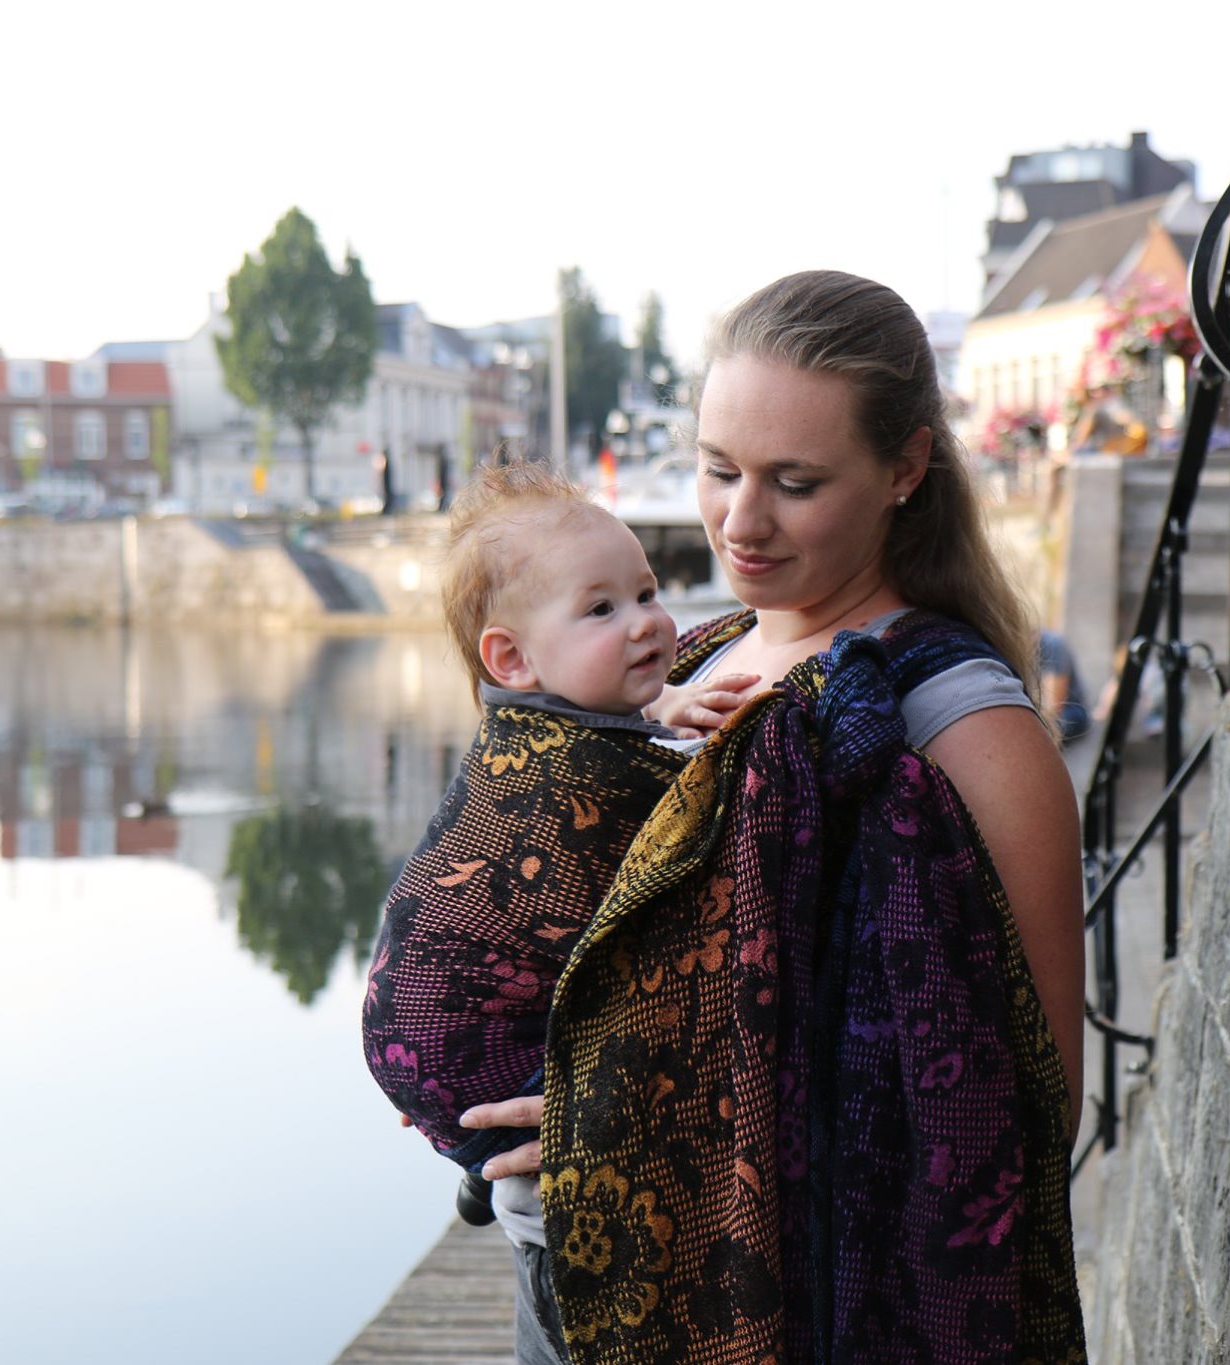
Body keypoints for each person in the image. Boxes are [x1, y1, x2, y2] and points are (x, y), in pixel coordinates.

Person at [462, 271, 1086, 1363]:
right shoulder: (695, 660)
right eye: (718, 470)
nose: (739, 523)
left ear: (905, 468)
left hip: (782, 1319)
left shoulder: (966, 732)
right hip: (576, 1277)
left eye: (795, 483)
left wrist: (635, 1126)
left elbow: (1026, 1118)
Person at [360, 463, 703, 1249]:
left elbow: (625, 720)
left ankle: (477, 1165)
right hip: (486, 1045)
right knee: (561, 1176)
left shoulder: (520, 727)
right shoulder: (594, 774)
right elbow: (703, 800)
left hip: (417, 1028)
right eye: (601, 608)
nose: (646, 623)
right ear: (512, 659)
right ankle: (497, 1173)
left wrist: (663, 701)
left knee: (496, 1132)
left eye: (647, 593)